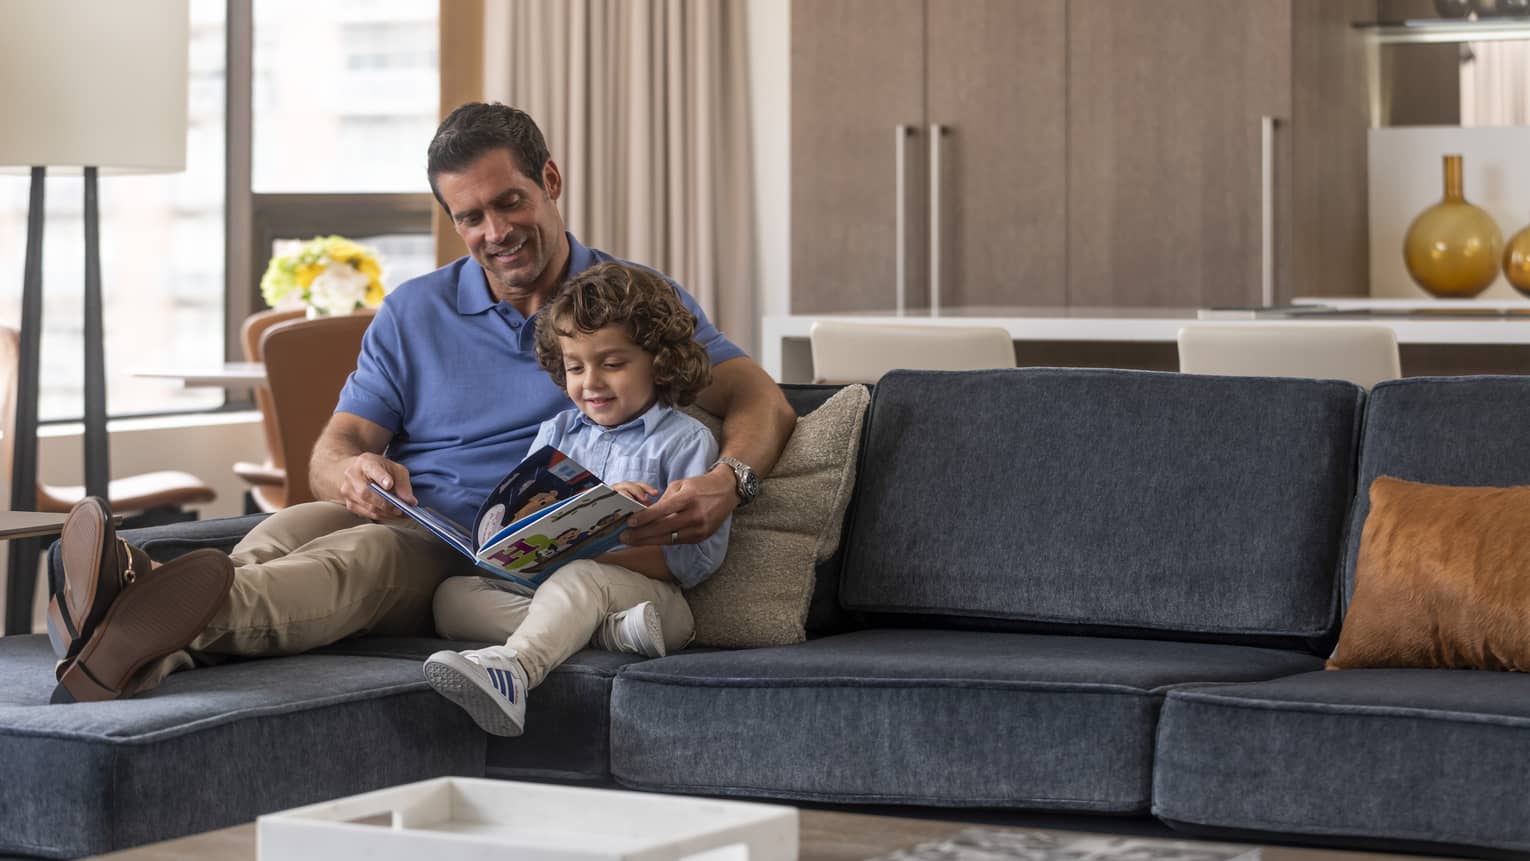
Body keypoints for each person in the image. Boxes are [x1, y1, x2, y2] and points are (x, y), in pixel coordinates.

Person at [47, 102, 795, 703]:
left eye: (510, 202)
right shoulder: (413, 311)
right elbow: (327, 451)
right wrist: (354, 473)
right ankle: (137, 649)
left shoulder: (627, 304)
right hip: (413, 509)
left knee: (360, 556)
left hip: (474, 551)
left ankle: (124, 606)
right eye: (471, 217)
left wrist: (728, 482)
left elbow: (761, 398)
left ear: (551, 180)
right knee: (288, 528)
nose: (496, 232)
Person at [424, 261, 728, 736]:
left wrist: (616, 530)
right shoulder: (557, 432)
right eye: (575, 367)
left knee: (582, 573)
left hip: (660, 607)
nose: (591, 383)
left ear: (658, 360)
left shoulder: (684, 440)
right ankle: (604, 633)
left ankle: (516, 670)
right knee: (451, 597)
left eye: (612, 364)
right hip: (602, 611)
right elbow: (526, 508)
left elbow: (697, 561)